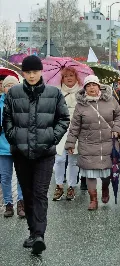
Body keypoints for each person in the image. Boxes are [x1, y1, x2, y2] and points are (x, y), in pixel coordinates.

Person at [2, 55, 70, 254]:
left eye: (35, 72)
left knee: (40, 193)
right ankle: (33, 232)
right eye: (28, 72)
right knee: (28, 193)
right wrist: (15, 138)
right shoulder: (13, 93)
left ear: (41, 72)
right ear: (23, 73)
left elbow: (63, 119)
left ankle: (39, 234)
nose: (31, 76)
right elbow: (7, 120)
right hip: (21, 153)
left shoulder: (54, 93)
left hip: (44, 153)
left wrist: (51, 137)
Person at [65, 75, 120, 211]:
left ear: (99, 86)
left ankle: (105, 188)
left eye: (94, 85)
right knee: (90, 172)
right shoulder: (81, 105)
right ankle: (93, 199)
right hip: (88, 144)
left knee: (106, 171)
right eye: (88, 85)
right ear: (85, 89)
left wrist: (117, 128)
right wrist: (70, 143)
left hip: (108, 142)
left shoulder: (110, 100)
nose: (92, 88)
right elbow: (74, 126)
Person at [53, 67, 82, 201]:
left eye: (71, 75)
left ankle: (71, 186)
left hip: (76, 129)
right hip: (61, 128)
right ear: (62, 78)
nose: (69, 78)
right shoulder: (57, 93)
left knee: (73, 160)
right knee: (59, 159)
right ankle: (59, 185)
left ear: (76, 77)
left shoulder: (82, 93)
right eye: (66, 76)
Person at [0, 76, 25, 218]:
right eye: (6, 85)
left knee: (21, 176)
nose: (9, 88)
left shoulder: (23, 102)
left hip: (19, 145)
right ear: (3, 87)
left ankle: (21, 202)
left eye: (12, 85)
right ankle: (8, 203)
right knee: (5, 177)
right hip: (3, 146)